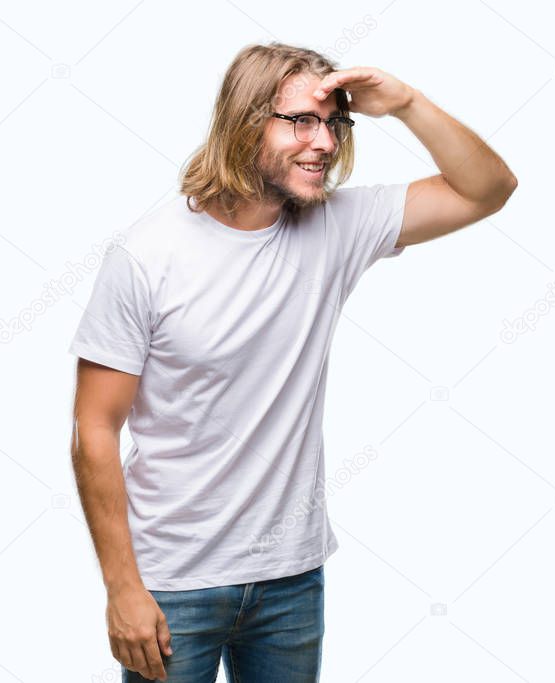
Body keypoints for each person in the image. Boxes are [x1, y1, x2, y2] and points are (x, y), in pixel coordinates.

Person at [68, 42, 516, 682]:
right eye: (300, 121)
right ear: (246, 121)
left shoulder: (337, 225)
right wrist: (123, 589)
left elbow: (489, 189)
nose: (325, 142)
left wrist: (409, 105)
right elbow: (93, 430)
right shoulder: (147, 255)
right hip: (172, 582)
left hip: (291, 580)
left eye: (334, 123)